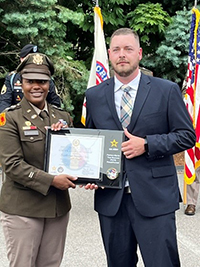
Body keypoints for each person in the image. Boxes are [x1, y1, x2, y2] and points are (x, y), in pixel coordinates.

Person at [84, 28, 196, 267]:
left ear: (140, 54)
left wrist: (147, 144)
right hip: (111, 201)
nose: (121, 54)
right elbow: (94, 142)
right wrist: (90, 174)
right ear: (110, 55)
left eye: (128, 49)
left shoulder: (165, 90)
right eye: (116, 49)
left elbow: (187, 136)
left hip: (155, 198)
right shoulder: (94, 95)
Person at [0, 52, 77, 267]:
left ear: (49, 84)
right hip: (23, 208)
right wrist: (52, 180)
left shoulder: (62, 117)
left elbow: (75, 157)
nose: (36, 86)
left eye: (42, 81)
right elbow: (12, 165)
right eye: (30, 81)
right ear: (21, 83)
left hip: (56, 208)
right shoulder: (10, 118)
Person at [0, 44, 61, 113]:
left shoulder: (46, 79)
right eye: (29, 59)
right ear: (22, 59)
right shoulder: (12, 78)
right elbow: (4, 102)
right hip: (17, 118)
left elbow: (55, 103)